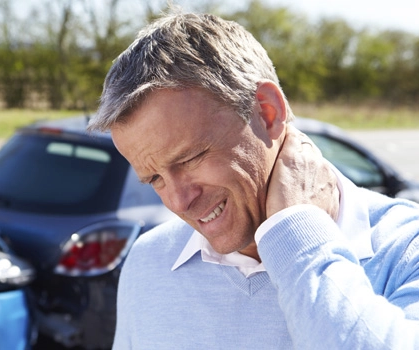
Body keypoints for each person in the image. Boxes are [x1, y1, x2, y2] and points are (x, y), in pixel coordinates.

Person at [87, 11, 419, 350]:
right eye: (154, 178)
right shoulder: (148, 261)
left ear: (267, 111)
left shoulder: (407, 249)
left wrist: (298, 231)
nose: (178, 202)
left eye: (189, 158)